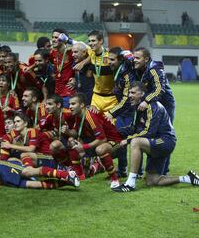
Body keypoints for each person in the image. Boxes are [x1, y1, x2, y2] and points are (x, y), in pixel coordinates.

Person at [112, 82, 199, 192]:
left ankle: (130, 184)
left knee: (136, 142)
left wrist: (128, 140)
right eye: (129, 92)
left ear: (142, 94)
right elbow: (133, 128)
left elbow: (149, 132)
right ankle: (187, 178)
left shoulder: (152, 106)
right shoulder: (138, 107)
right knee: (152, 180)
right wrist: (115, 132)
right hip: (155, 142)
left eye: (133, 92)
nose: (129, 95)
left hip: (165, 141)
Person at [0, 143, 79, 189]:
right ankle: (67, 182)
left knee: (29, 172)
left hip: (2, 168)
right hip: (3, 180)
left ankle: (67, 174)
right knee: (35, 185)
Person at [133, 47, 175, 175]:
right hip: (148, 105)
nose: (135, 60)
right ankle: (138, 171)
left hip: (164, 106)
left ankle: (163, 171)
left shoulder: (155, 69)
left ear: (146, 59)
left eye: (137, 58)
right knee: (141, 132)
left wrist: (146, 100)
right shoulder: (139, 67)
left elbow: (159, 90)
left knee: (161, 136)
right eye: (134, 57)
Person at [67, 93, 122, 188]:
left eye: (73, 104)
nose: (70, 107)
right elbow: (76, 133)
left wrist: (83, 147)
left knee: (100, 149)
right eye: (70, 104)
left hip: (115, 141)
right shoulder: (78, 115)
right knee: (71, 142)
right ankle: (80, 176)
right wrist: (67, 131)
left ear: (82, 105)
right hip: (97, 141)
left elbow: (102, 139)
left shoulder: (91, 116)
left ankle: (115, 179)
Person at [105, 46, 136, 177]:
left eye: (112, 60)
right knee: (119, 139)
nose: (109, 62)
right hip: (123, 110)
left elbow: (126, 100)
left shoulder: (127, 74)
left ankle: (133, 171)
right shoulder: (118, 70)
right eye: (108, 59)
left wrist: (111, 113)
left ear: (120, 60)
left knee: (126, 140)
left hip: (129, 111)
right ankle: (122, 170)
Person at [87, 30, 117, 112]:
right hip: (96, 98)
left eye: (93, 40)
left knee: (110, 124)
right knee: (93, 124)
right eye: (89, 41)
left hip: (111, 99)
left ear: (101, 41)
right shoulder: (91, 52)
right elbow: (79, 45)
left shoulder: (110, 55)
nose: (90, 43)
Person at [49, 29, 76, 108]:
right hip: (57, 93)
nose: (53, 39)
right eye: (52, 37)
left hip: (68, 93)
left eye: (56, 37)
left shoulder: (72, 52)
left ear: (64, 40)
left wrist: (76, 79)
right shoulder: (52, 53)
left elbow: (88, 52)